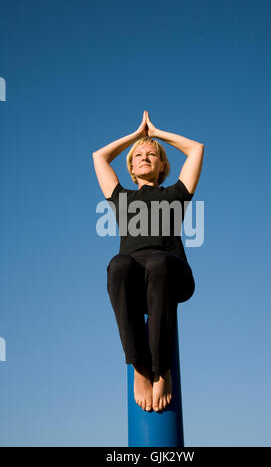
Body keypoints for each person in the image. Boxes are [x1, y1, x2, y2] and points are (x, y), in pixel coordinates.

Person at [92, 110, 204, 412]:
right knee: (118, 264)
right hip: (133, 285)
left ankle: (161, 368)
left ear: (162, 165)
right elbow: (99, 157)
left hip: (170, 276)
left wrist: (156, 134)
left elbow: (196, 149)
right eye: (138, 155)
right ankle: (140, 368)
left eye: (151, 154)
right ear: (130, 166)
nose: (144, 157)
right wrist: (136, 136)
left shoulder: (175, 194)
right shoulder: (122, 198)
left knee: (158, 261)